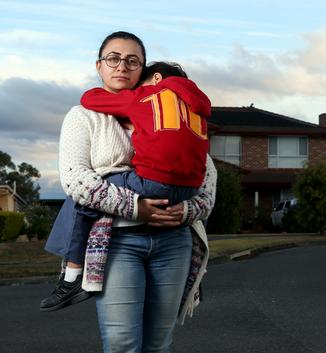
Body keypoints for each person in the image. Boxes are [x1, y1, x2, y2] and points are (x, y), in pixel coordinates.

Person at [46, 31, 216, 353]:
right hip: (116, 242)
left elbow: (205, 179)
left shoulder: (174, 107)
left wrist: (186, 209)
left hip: (173, 242)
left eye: (132, 60)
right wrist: (135, 207)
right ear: (99, 65)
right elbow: (77, 182)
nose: (122, 66)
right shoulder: (83, 116)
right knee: (122, 345)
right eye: (113, 58)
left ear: (146, 68)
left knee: (157, 346)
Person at [40, 61, 211, 312]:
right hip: (188, 189)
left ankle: (72, 276)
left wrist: (125, 94)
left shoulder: (147, 96)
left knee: (86, 195)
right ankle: (193, 275)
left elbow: (90, 99)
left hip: (153, 183)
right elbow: (208, 169)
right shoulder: (198, 111)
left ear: (155, 78)